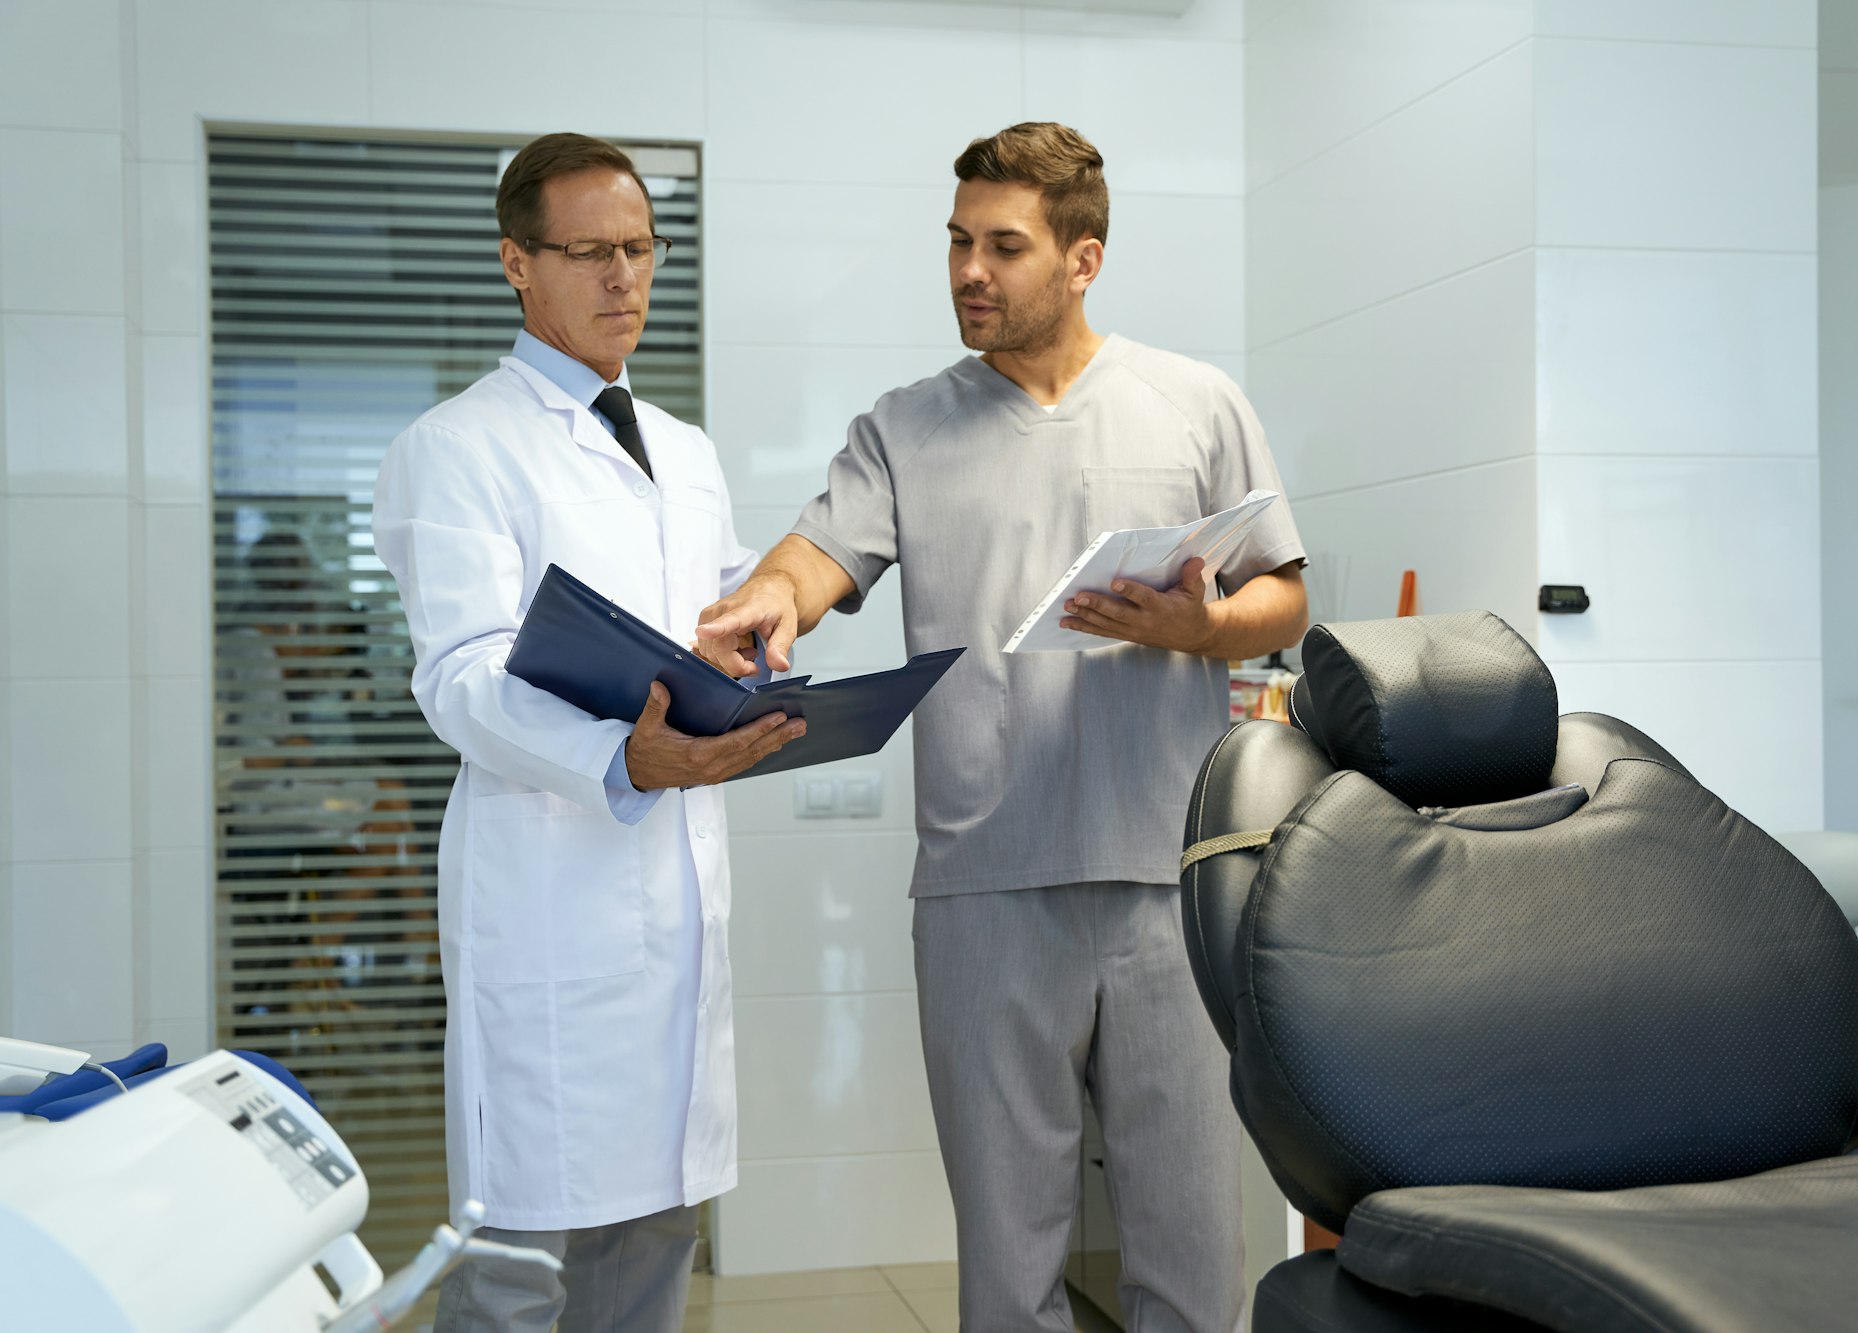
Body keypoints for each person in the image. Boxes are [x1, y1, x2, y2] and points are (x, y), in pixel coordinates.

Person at [696, 122, 1308, 1333]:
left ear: (1081, 259)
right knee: (1006, 1260)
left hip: (1163, 879)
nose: (969, 270)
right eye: (958, 242)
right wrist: (771, 596)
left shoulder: (1195, 403)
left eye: (1004, 246)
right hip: (984, 886)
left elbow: (1282, 594)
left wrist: (1198, 630)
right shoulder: (904, 425)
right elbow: (816, 556)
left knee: (1190, 1250)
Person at [371, 132, 804, 1333]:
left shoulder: (685, 451)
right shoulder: (452, 450)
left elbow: (715, 619)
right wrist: (619, 757)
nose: (624, 278)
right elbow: (460, 675)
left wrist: (757, 659)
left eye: (639, 250)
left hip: (673, 900)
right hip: (550, 895)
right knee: (523, 1261)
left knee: (656, 1234)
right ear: (517, 263)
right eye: (589, 253)